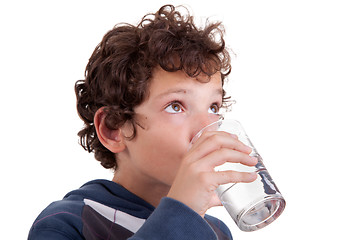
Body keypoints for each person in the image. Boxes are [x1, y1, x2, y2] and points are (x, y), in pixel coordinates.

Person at [28, 4, 258, 240]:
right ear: (114, 129)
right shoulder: (67, 223)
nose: (205, 129)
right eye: (175, 106)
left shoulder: (215, 232)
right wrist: (182, 211)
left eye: (213, 107)